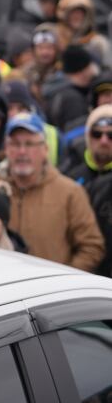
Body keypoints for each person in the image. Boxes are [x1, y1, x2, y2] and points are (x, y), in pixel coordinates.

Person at [0, 113, 104, 271]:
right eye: (15, 144)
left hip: (51, 293)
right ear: (6, 149)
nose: (22, 151)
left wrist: (64, 282)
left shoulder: (70, 192)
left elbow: (91, 247)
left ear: (45, 149)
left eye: (29, 144)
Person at [66, 106, 112, 276]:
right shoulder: (71, 175)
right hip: (80, 272)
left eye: (111, 135)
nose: (104, 140)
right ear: (87, 136)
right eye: (97, 134)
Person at [43, 45, 98, 132]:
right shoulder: (72, 99)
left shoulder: (56, 89)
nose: (93, 71)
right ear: (82, 71)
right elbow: (77, 136)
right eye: (89, 66)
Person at [55, 0, 112, 69]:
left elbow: (108, 70)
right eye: (72, 12)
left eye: (80, 12)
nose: (76, 16)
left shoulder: (98, 43)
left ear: (87, 15)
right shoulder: (56, 38)